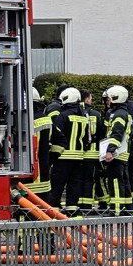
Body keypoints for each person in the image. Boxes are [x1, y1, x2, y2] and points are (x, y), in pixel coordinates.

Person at [48, 87, 88, 215]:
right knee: (74, 184)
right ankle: (72, 210)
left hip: (63, 156)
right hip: (79, 157)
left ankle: (54, 209)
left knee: (57, 185)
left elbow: (56, 136)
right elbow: (88, 138)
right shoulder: (84, 117)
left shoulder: (62, 116)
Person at [103, 85, 133, 216]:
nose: (108, 101)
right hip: (122, 152)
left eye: (109, 98)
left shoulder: (119, 114)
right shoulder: (123, 112)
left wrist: (110, 151)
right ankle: (127, 208)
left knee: (115, 181)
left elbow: (117, 134)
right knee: (123, 180)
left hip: (116, 153)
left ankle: (116, 210)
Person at [26, 87, 55, 199]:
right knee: (43, 202)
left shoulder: (20, 118)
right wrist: (50, 159)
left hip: (25, 167)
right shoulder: (46, 119)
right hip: (43, 166)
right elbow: (60, 141)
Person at [79, 90, 104, 214]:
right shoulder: (96, 114)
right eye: (91, 98)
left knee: (78, 179)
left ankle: (78, 205)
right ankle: (87, 207)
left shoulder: (77, 112)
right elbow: (101, 134)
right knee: (90, 180)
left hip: (77, 153)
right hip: (93, 153)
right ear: (87, 99)